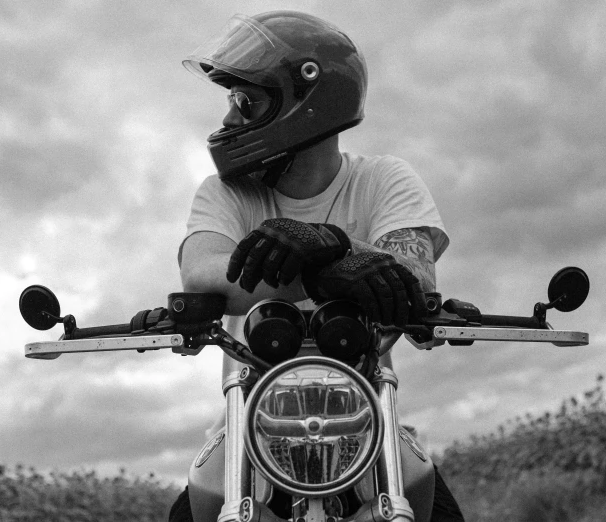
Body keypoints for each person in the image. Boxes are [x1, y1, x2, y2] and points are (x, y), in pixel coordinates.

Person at [172, 10, 465, 522]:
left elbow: (412, 278)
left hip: (366, 413)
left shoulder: (384, 180)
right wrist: (319, 275)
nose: (229, 121)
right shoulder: (225, 194)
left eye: (246, 103)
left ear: (306, 106)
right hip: (249, 420)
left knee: (429, 503)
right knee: (197, 505)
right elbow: (201, 272)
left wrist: (333, 243)